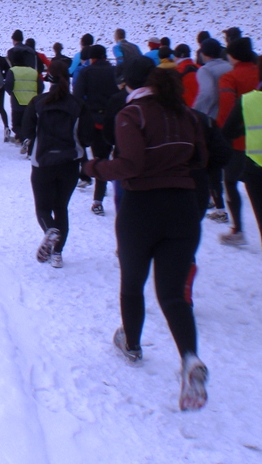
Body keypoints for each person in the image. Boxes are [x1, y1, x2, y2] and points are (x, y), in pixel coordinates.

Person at [83, 62, 209, 412]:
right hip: (183, 207)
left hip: (142, 208)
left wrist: (93, 168)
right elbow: (201, 158)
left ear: (127, 84)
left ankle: (133, 344)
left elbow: (130, 166)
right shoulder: (187, 115)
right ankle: (189, 357)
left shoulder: (131, 115)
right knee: (172, 294)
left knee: (133, 282)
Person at [221, 54, 262, 309]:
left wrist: (248, 129)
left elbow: (227, 132)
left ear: (260, 75)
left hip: (260, 173)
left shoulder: (247, 101)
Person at [24, 59, 94, 267]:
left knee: (43, 208)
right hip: (69, 162)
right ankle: (57, 254)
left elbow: (26, 131)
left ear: (48, 78)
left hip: (42, 162)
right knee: (61, 207)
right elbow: (87, 137)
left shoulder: (37, 102)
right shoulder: (78, 105)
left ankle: (49, 230)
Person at [216, 37, 260, 246]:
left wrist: (222, 134)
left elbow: (227, 109)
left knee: (231, 182)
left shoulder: (229, 78)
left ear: (232, 55)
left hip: (238, 141)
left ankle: (238, 229)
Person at [74, 45, 119, 216]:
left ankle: (88, 176)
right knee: (106, 157)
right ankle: (100, 197)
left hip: (91, 119)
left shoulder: (86, 72)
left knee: (84, 150)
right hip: (112, 119)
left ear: (92, 58)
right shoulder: (114, 71)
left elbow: (77, 96)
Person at [193, 38, 232, 220]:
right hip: (230, 116)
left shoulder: (206, 70)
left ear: (204, 53)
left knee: (212, 164)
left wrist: (195, 112)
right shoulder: (228, 66)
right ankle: (216, 199)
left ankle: (220, 208)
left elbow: (206, 93)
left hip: (211, 119)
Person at [6, 51, 42, 147]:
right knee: (30, 123)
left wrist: (12, 93)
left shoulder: (13, 71)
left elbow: (8, 85)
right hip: (32, 102)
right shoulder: (33, 72)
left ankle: (24, 138)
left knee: (16, 124)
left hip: (17, 100)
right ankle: (29, 139)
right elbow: (40, 86)